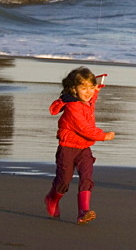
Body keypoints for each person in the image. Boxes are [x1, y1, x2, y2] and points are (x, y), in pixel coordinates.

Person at [43, 67, 115, 224]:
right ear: (73, 89)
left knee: (86, 177)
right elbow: (84, 128)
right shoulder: (73, 107)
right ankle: (52, 199)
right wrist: (103, 136)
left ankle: (83, 211)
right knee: (64, 181)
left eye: (90, 86)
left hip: (84, 148)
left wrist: (95, 91)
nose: (88, 91)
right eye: (84, 88)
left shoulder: (86, 100)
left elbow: (91, 99)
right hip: (67, 147)